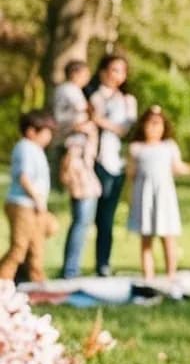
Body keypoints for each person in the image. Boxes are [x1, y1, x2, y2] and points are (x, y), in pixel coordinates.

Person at [87, 53, 137, 276]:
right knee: (89, 216)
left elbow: (125, 129)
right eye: (114, 70)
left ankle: (103, 263)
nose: (119, 75)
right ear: (103, 71)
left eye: (122, 71)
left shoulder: (127, 101)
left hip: (116, 162)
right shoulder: (92, 95)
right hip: (94, 160)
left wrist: (99, 120)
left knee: (107, 217)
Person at [127, 105, 187, 280]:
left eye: (158, 124)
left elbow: (178, 167)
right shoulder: (136, 148)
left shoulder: (169, 146)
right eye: (150, 124)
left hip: (164, 197)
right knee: (146, 239)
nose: (154, 128)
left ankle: (171, 275)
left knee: (168, 237)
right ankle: (148, 277)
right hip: (144, 197)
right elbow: (131, 173)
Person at [0, 111, 55, 284]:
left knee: (38, 243)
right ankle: (3, 283)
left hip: (33, 205)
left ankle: (34, 282)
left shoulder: (35, 149)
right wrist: (37, 198)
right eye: (46, 132)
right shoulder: (25, 147)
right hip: (23, 204)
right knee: (19, 248)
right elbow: (24, 177)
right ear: (32, 131)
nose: (49, 136)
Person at [57, 115, 102, 282]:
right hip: (82, 186)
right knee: (80, 225)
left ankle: (72, 268)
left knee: (82, 225)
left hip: (87, 185)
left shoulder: (85, 138)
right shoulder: (76, 141)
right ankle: (70, 270)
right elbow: (71, 163)